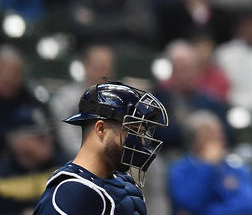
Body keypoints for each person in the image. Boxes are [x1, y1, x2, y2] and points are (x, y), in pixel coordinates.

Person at [34, 81, 168, 214]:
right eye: (133, 131)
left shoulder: (125, 184)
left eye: (141, 133)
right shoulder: (71, 194)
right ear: (101, 129)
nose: (142, 142)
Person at [168, 111, 252, 215]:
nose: (218, 138)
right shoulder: (181, 168)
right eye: (209, 134)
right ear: (193, 140)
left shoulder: (235, 166)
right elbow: (189, 203)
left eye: (219, 132)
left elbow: (248, 205)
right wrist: (207, 165)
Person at [154, 40, 230, 150]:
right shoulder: (158, 100)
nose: (189, 75)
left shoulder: (211, 101)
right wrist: (199, 131)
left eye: (193, 69)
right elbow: (159, 134)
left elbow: (228, 134)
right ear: (172, 71)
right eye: (183, 69)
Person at [0, 105, 67, 214]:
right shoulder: (3, 176)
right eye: (39, 137)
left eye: (49, 133)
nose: (48, 140)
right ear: (17, 142)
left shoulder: (66, 167)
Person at [50, 45, 116, 155]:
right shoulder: (66, 98)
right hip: (79, 159)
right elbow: (68, 141)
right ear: (86, 66)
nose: (103, 71)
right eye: (97, 65)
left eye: (106, 66)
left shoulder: (122, 99)